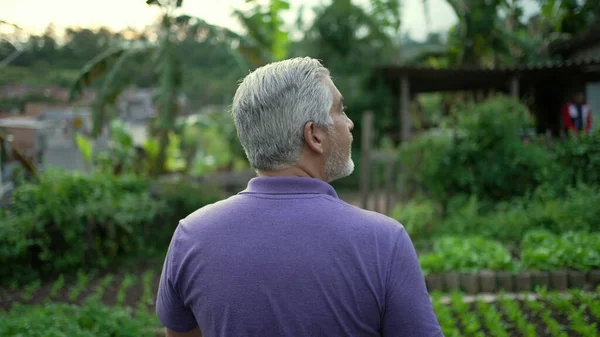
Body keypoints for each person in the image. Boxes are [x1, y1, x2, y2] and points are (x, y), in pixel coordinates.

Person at [156, 57, 443, 337]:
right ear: (314, 136)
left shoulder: (191, 236)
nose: (349, 123)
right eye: (340, 110)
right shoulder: (383, 242)